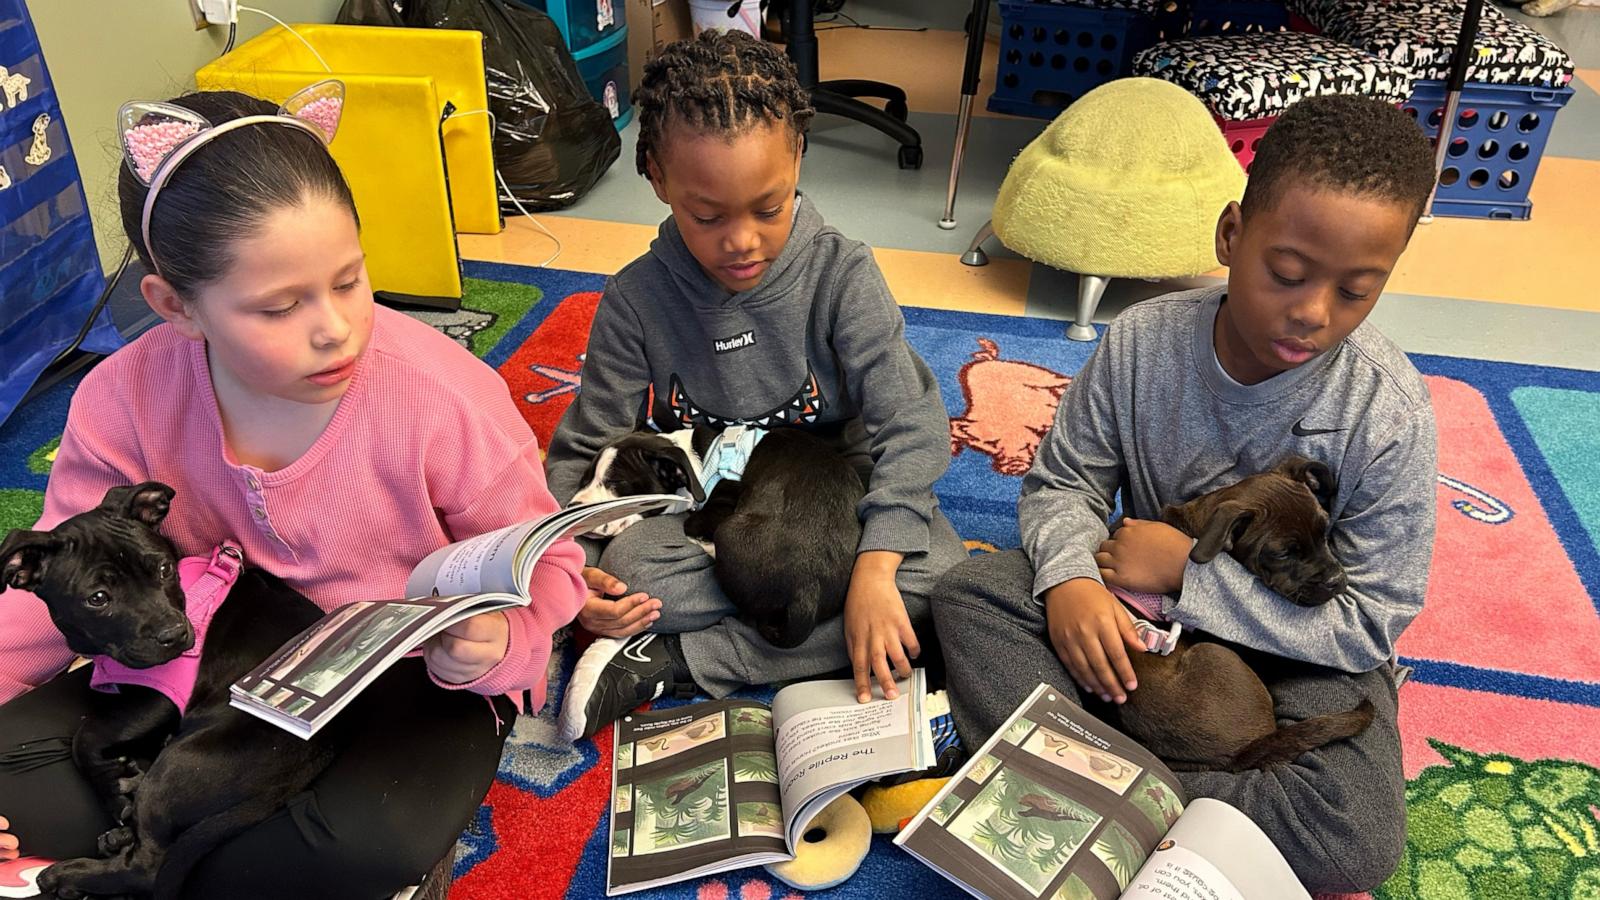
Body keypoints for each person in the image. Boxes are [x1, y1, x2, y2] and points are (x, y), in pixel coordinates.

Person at [0, 86, 587, 899]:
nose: (335, 328)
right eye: (280, 306)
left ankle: (153, 864)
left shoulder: (444, 397)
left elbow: (549, 564)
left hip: (405, 684)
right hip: (204, 669)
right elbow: (58, 574)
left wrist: (500, 647)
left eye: (350, 281)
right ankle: (168, 860)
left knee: (364, 845)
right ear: (176, 307)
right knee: (12, 779)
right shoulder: (122, 396)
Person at [931, 95, 1440, 893]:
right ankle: (1183, 797)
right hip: (1145, 638)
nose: (1311, 312)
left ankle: (1085, 772)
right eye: (1287, 273)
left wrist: (1192, 578)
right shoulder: (1141, 343)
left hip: (1294, 650)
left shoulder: (1387, 413)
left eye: (1356, 291)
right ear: (1231, 236)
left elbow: (1367, 624)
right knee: (968, 595)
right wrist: (1068, 579)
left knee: (1358, 836)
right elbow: (1064, 484)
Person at [547, 31, 966, 741]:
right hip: (712, 519)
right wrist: (572, 573)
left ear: (798, 157)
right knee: (630, 568)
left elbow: (916, 428)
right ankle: (799, 627)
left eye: (768, 209)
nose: (741, 240)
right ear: (656, 177)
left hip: (834, 502)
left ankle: (683, 661)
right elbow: (588, 450)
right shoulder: (636, 298)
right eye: (708, 216)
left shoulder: (842, 276)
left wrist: (874, 565)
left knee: (944, 587)